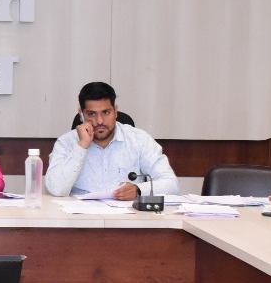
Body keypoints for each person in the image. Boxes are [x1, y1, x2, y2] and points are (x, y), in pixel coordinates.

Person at [45, 82, 177, 199]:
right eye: (91, 114)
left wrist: (139, 190)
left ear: (116, 111)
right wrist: (81, 146)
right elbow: (56, 189)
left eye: (106, 112)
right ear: (81, 114)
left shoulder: (139, 140)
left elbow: (171, 184)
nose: (99, 121)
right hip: (79, 216)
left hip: (127, 216)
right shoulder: (66, 142)